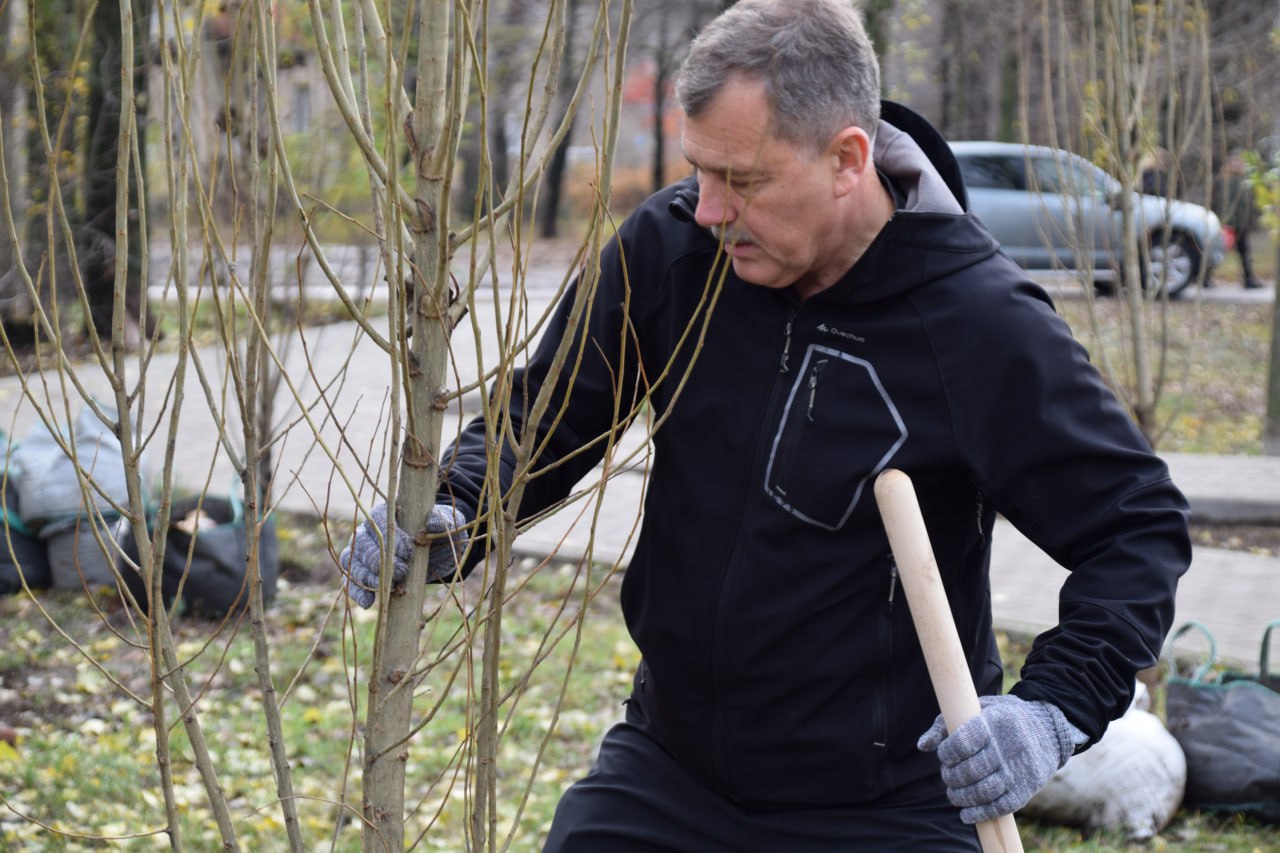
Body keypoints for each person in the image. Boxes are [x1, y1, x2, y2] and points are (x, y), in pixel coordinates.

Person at [340, 1, 1192, 849]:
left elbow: (1136, 525)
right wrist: (455, 505)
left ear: (847, 160)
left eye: (742, 181)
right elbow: (549, 417)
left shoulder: (976, 323)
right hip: (672, 770)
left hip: (884, 803)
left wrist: (1050, 710)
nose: (708, 208)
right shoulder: (673, 253)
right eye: (699, 170)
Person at [1216, 151, 1265, 290]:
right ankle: (1205, 276)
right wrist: (1229, 222)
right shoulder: (1227, 180)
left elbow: (1246, 203)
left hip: (1241, 224)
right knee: (1221, 250)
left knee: (1244, 252)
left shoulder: (1243, 180)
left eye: (1240, 163)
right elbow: (1225, 203)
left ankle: (1249, 279)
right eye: (1235, 163)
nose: (1238, 165)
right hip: (1231, 224)